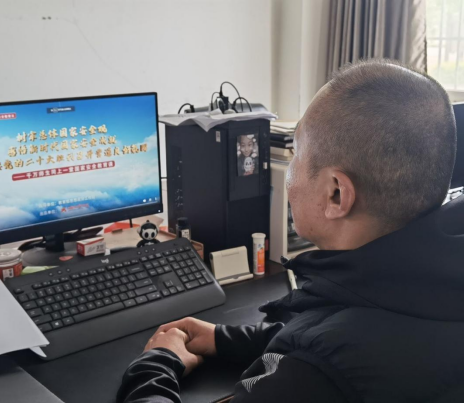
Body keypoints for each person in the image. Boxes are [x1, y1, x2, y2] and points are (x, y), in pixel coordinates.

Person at [117, 60, 464, 402]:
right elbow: (333, 327)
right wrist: (225, 338)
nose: (288, 173)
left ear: (336, 193)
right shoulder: (427, 280)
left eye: (296, 154)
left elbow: (330, 352)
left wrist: (156, 363)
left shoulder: (316, 375)